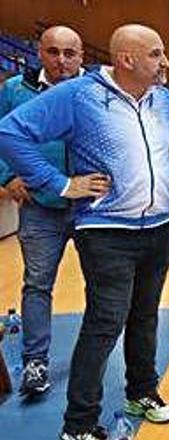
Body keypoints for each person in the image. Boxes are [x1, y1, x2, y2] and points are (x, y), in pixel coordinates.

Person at [0, 24, 169, 440]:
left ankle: (142, 392)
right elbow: (11, 132)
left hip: (157, 227)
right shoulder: (81, 95)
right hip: (106, 231)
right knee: (105, 322)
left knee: (146, 315)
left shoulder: (164, 100)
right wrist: (58, 183)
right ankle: (78, 425)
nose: (164, 61)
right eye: (156, 53)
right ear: (127, 58)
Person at [0, 25, 84, 397]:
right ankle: (36, 362)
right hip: (40, 207)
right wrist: (7, 176)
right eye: (53, 52)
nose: (61, 60)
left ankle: (99, 356)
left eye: (70, 53)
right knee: (37, 285)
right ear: (39, 53)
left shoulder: (98, 91)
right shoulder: (14, 90)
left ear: (81, 56)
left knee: (105, 285)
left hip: (91, 208)